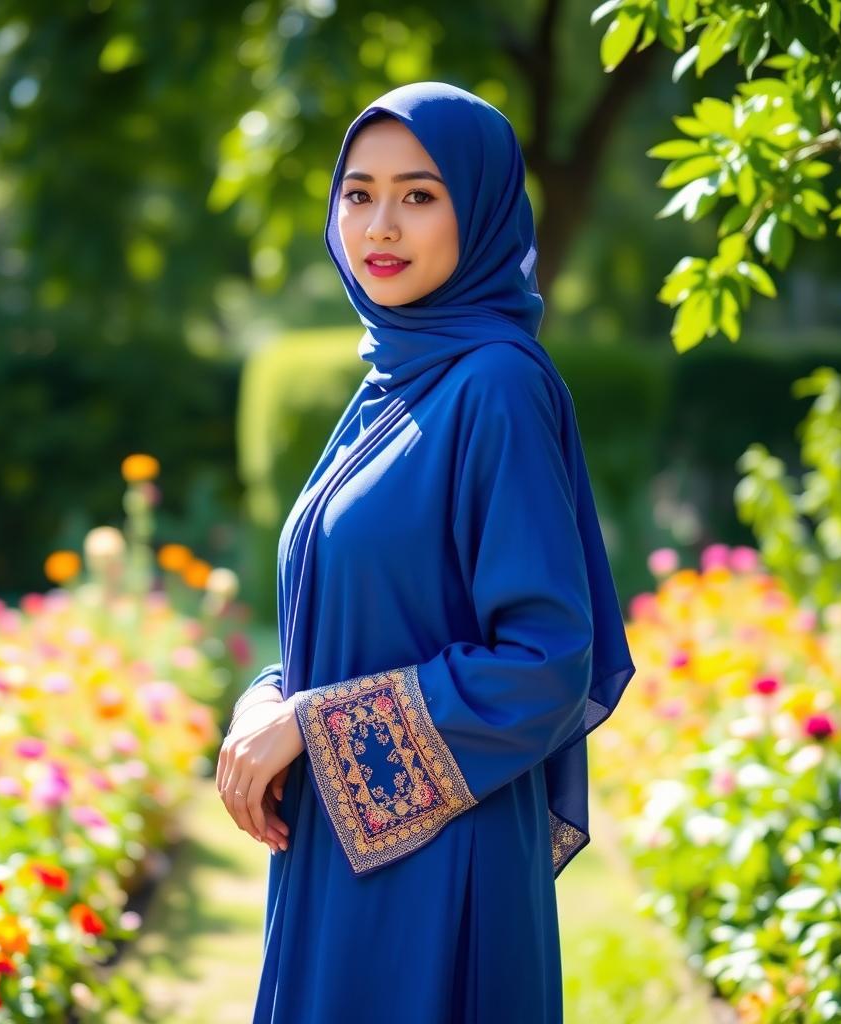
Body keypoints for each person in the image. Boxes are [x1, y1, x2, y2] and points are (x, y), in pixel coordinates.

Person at [216, 80, 636, 1024]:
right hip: (345, 852)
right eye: (358, 193)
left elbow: (545, 662)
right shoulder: (393, 381)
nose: (381, 225)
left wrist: (317, 727)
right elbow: (362, 613)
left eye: (420, 194)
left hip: (443, 868)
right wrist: (270, 699)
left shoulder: (494, 386)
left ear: (479, 210)